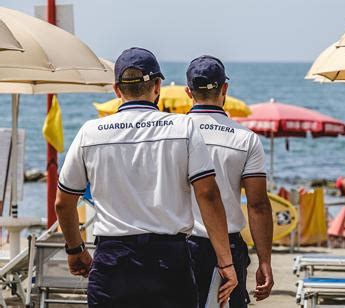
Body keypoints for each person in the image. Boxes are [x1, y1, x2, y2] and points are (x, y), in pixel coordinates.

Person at [55, 47, 237, 308]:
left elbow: (64, 202)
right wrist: (225, 261)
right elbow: (207, 194)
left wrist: (75, 250)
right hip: (169, 261)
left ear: (117, 89)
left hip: (113, 261)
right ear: (158, 86)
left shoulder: (90, 133)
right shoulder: (182, 128)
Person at [185, 55, 274, 307]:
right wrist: (264, 260)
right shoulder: (245, 139)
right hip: (229, 244)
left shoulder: (173, 133)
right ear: (224, 88)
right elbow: (258, 205)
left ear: (188, 92)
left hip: (179, 245)